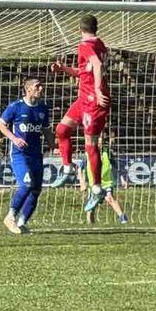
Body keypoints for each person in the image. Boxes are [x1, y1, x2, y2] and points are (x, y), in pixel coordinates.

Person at [50, 15, 110, 214]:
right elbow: (86, 71)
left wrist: (99, 90)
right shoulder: (100, 44)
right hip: (83, 99)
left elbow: (98, 66)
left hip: (93, 101)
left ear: (79, 29)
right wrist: (64, 69)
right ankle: (67, 168)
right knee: (62, 129)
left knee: (90, 144)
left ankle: (97, 188)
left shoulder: (85, 45)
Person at [0, 77, 54, 235]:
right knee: (26, 184)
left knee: (36, 190)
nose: (41, 89)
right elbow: (1, 125)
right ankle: (10, 216)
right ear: (28, 89)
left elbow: (46, 129)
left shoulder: (42, 108)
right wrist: (14, 139)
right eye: (38, 86)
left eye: (41, 86)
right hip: (19, 154)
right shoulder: (15, 107)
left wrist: (54, 146)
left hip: (36, 154)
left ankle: (22, 223)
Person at [78, 135, 130, 225]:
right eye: (97, 141)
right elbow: (80, 169)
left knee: (109, 198)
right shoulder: (87, 153)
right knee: (91, 207)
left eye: (101, 141)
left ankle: (122, 217)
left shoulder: (107, 152)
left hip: (106, 182)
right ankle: (91, 225)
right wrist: (82, 182)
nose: (99, 143)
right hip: (93, 183)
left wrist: (123, 179)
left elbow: (116, 166)